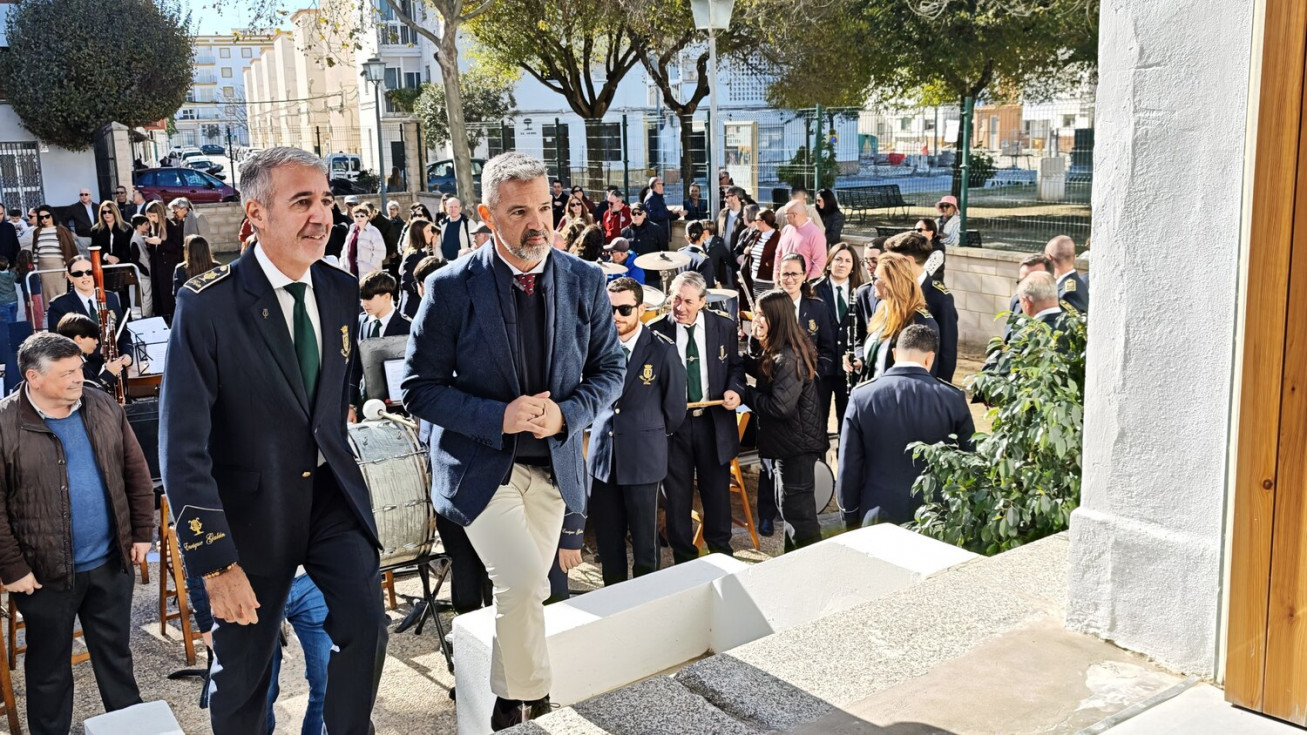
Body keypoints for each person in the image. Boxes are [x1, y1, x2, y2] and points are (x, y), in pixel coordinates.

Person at [160, 147, 388, 734]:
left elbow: (330, 404)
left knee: (366, 622)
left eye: (326, 200)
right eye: (302, 201)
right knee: (244, 674)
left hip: (330, 499)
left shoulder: (339, 289)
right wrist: (215, 564)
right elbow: (182, 446)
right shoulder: (207, 304)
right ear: (256, 214)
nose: (322, 215)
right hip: (250, 515)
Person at [401, 150, 624, 730]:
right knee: (524, 581)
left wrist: (567, 414)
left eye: (545, 208)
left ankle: (503, 701)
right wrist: (500, 417)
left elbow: (611, 371)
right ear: (487, 215)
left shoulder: (585, 280)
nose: (538, 224)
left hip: (554, 469)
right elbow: (417, 389)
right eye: (520, 211)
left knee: (524, 595)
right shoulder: (449, 287)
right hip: (481, 471)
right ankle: (529, 703)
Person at [0, 332, 153, 735]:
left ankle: (130, 729)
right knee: (48, 670)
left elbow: (135, 470)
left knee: (117, 658)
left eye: (78, 369)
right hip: (42, 576)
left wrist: (141, 531)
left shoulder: (101, 403)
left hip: (110, 563)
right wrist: (12, 567)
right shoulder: (4, 423)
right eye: (66, 373)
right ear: (33, 377)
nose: (78, 378)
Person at [588, 277, 686, 584]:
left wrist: (645, 434)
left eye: (624, 309)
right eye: (609, 309)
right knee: (608, 544)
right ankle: (613, 599)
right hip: (603, 461)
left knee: (645, 545)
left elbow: (675, 411)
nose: (616, 316)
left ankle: (647, 601)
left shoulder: (662, 350)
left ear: (641, 309)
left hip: (643, 460)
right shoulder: (596, 345)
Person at [649, 271, 745, 564]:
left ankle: (721, 556)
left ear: (703, 301)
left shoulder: (724, 326)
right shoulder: (655, 331)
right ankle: (684, 560)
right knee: (676, 498)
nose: (680, 307)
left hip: (713, 423)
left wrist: (735, 390)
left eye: (688, 301)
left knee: (716, 495)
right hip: (674, 427)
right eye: (676, 299)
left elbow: (735, 367)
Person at [838, 324, 974, 526]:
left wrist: (849, 516)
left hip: (877, 514)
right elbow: (969, 460)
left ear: (894, 354)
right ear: (930, 358)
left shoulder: (862, 396)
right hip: (935, 517)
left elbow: (849, 466)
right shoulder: (952, 398)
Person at [743, 289, 827, 551]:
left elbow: (780, 407)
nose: (756, 320)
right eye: (756, 314)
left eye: (762, 315)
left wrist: (745, 393)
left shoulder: (788, 358)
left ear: (777, 318)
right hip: (789, 445)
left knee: (799, 516)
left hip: (797, 447)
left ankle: (812, 566)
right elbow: (762, 366)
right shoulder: (780, 350)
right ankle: (793, 563)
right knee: (788, 508)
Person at [883, 231, 959, 383]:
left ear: (908, 261)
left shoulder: (939, 297)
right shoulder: (887, 288)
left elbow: (947, 352)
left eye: (891, 260)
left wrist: (938, 389)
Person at [852, 252, 939, 381]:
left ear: (893, 283)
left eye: (876, 279)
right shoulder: (882, 309)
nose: (872, 283)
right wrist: (860, 360)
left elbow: (921, 377)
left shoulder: (920, 322)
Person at [814, 242, 868, 431]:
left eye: (847, 260)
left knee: (847, 422)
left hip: (849, 369)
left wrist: (860, 357)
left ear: (853, 266)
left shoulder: (861, 291)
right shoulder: (814, 290)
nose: (842, 264)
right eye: (838, 259)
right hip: (821, 367)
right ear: (829, 263)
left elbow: (865, 330)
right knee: (817, 420)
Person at [46, 257, 133, 361]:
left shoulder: (111, 298)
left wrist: (127, 355)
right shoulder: (59, 305)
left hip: (116, 363)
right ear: (70, 277)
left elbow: (123, 333)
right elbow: (59, 344)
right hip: (82, 366)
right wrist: (99, 351)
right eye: (78, 273)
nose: (85, 276)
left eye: (90, 272)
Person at [55, 313, 130, 394]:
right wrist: (109, 373)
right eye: (93, 338)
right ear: (79, 339)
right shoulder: (69, 364)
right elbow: (85, 392)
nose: (97, 342)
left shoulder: (78, 359)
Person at [31, 204, 81, 301]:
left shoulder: (61, 230)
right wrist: (36, 269)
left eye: (47, 216)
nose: (44, 219)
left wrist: (67, 268)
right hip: (43, 267)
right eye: (41, 217)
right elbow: (36, 251)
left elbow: (67, 250)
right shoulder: (37, 231)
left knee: (61, 294)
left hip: (59, 266)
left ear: (52, 216)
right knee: (47, 296)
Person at [777, 199, 827, 280]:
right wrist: (776, 277)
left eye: (786, 214)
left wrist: (809, 281)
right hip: (784, 280)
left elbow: (820, 261)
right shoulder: (786, 229)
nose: (784, 217)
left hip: (803, 282)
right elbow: (778, 254)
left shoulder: (815, 233)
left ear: (794, 215)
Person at [739, 208, 780, 299]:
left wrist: (769, 263)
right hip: (754, 279)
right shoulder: (758, 235)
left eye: (756, 220)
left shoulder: (778, 237)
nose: (754, 222)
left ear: (763, 222)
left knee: (766, 305)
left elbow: (781, 256)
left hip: (768, 281)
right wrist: (749, 250)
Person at [399, 220, 437, 319]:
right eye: (428, 231)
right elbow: (406, 283)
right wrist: (424, 289)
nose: (432, 234)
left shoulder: (424, 253)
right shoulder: (414, 256)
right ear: (419, 234)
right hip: (413, 309)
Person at [1044, 235, 1089, 313]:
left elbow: (1071, 320)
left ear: (1050, 258)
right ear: (1074, 257)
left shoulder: (1069, 292)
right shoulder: (1067, 284)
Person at [344, 204, 386, 277]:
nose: (359, 218)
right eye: (356, 216)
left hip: (369, 274)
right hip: (351, 271)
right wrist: (343, 266)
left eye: (362, 216)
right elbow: (345, 251)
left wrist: (371, 269)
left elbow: (380, 253)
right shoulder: (352, 231)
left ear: (367, 217)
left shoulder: (373, 231)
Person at [677, 220, 716, 285]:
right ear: (703, 235)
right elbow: (707, 288)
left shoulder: (680, 254)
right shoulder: (704, 260)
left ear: (687, 238)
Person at [62, 187, 98, 253]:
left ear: (90, 195)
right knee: (85, 257)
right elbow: (63, 220)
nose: (84, 196)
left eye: (86, 194)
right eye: (81, 194)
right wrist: (70, 232)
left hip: (97, 237)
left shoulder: (97, 207)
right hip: (82, 238)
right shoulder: (74, 207)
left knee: (98, 257)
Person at [717, 186, 748, 255]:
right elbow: (716, 232)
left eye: (727, 197)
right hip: (722, 257)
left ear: (735, 198)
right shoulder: (722, 213)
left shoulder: (746, 215)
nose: (725, 199)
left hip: (738, 257)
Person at [0, 256, 18, 323]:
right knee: (14, 320)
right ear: (8, 265)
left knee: (6, 322)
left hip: (2, 302)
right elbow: (17, 279)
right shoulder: (12, 274)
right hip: (13, 300)